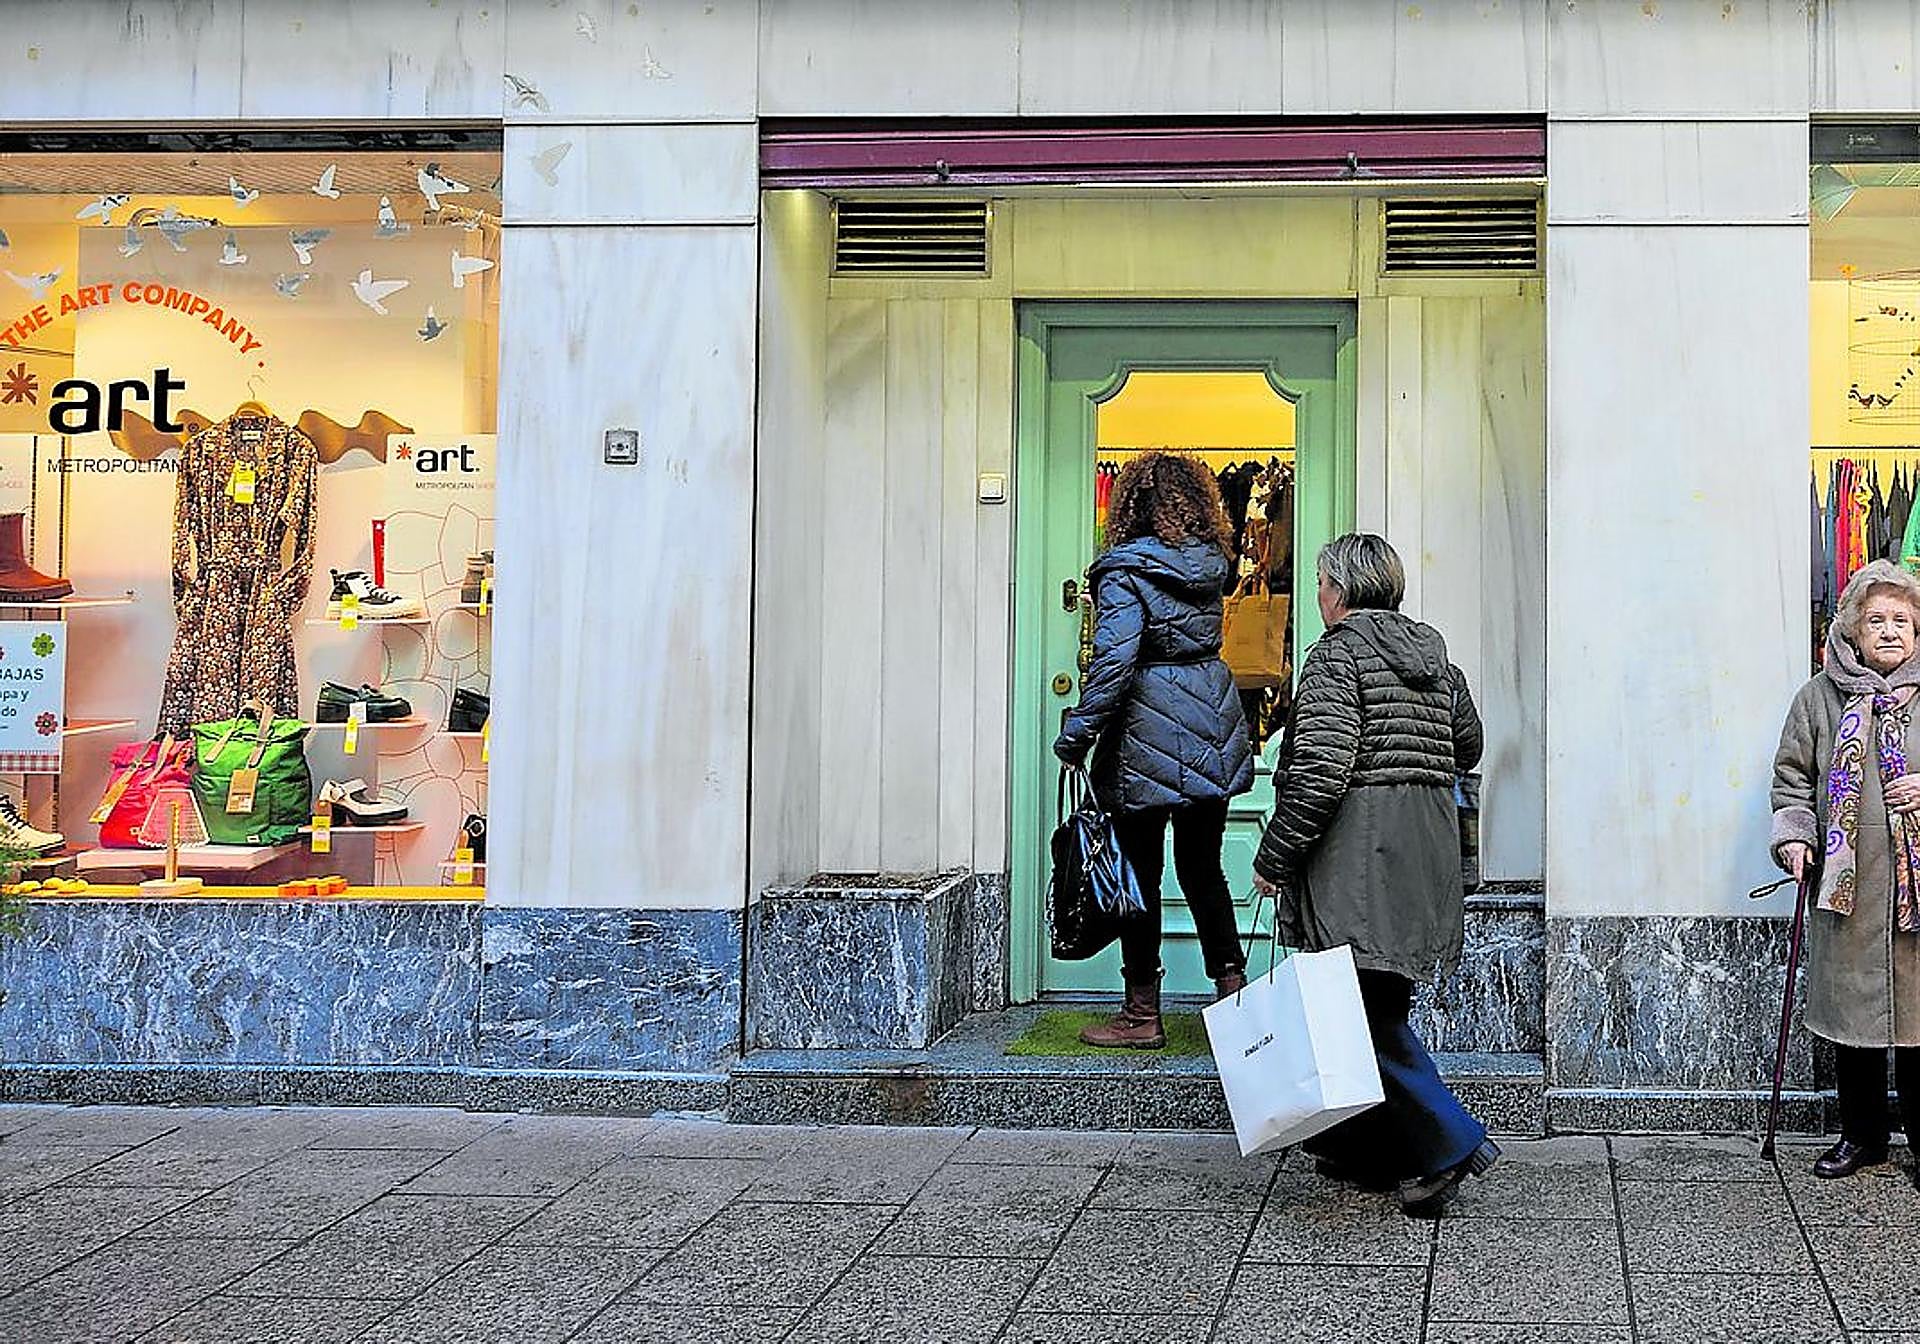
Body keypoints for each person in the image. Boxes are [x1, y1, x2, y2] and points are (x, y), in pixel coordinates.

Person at [1251, 533, 1498, 1217]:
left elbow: (1320, 769)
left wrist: (1275, 858)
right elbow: (1469, 742)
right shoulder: (1434, 655)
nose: (1318, 595)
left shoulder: (1336, 656)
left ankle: (1450, 1144)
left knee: (1361, 1013)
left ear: (1341, 590)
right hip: (1424, 849)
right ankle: (1363, 1147)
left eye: (1322, 583)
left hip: (1357, 854)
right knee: (1376, 999)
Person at [1054, 451, 1256, 1049]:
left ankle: (1141, 1014)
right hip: (1211, 724)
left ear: (1130, 506)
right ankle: (1236, 1005)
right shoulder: (1210, 566)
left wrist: (1077, 734)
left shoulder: (1124, 573)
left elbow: (1115, 662)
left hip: (1144, 736)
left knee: (1136, 875)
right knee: (1203, 869)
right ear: (1196, 504)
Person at [1770, 558, 1920, 1187]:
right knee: (1853, 1024)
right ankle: (1862, 1137)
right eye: (1876, 619)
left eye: (1902, 621)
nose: (1889, 631)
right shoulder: (1818, 698)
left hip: (1917, 896)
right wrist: (1795, 838)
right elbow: (1791, 780)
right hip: (1847, 891)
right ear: (1853, 629)